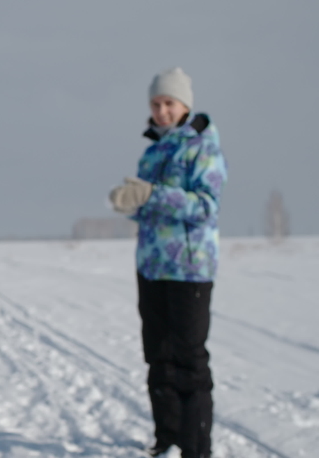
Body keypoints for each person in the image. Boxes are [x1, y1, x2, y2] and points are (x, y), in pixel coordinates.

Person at [109, 67, 227, 458]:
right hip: (151, 267)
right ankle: (167, 439)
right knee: (158, 356)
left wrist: (153, 195)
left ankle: (196, 449)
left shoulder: (202, 148)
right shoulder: (152, 152)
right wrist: (130, 204)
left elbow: (206, 207)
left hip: (189, 270)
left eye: (169, 104)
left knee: (189, 362)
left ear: (184, 105)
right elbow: (149, 210)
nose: (161, 111)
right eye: (156, 104)